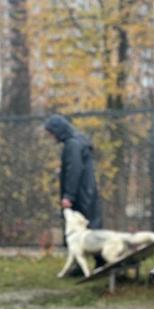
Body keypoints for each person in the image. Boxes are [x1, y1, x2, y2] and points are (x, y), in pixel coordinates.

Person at [44, 114, 104, 270]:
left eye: (51, 133)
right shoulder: (79, 141)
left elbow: (74, 170)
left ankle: (98, 262)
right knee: (91, 228)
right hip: (87, 191)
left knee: (81, 230)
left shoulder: (72, 144)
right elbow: (77, 166)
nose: (51, 137)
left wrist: (68, 196)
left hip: (79, 195)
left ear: (58, 130)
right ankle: (90, 264)